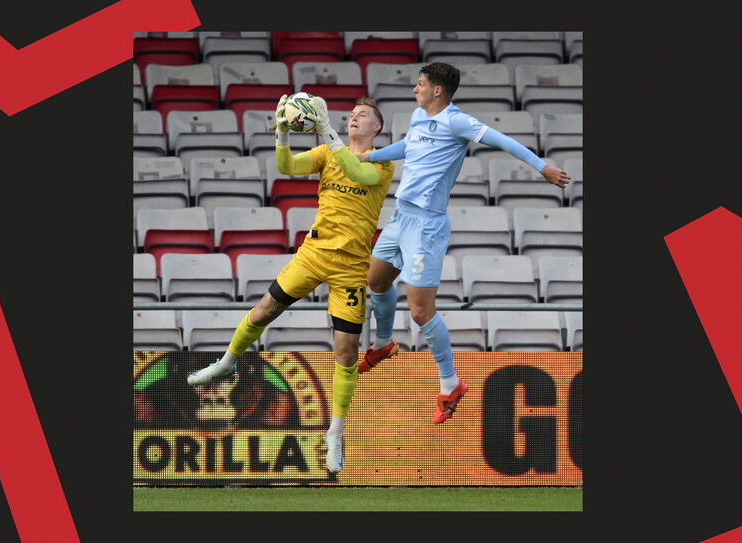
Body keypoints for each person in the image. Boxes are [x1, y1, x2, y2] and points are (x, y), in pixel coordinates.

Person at [352, 62, 570, 424]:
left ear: (438, 90)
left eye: (420, 85)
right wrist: (369, 157)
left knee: (421, 312)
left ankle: (450, 383)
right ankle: (383, 344)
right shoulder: (417, 116)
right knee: (376, 282)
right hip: (399, 217)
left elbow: (505, 141)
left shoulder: (458, 122)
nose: (414, 90)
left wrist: (541, 166)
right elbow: (409, 146)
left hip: (426, 226)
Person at [187, 94, 395, 474]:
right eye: (350, 114)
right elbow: (287, 166)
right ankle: (227, 363)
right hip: (313, 254)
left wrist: (326, 129)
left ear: (376, 127)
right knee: (263, 311)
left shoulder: (382, 161)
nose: (353, 118)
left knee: (347, 353)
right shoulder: (327, 152)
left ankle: (335, 432)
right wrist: (282, 132)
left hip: (351, 267)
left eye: (361, 115)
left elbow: (359, 174)